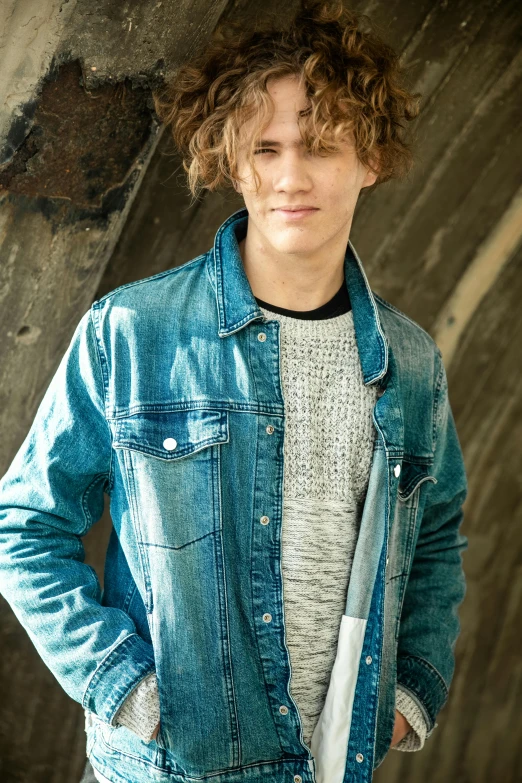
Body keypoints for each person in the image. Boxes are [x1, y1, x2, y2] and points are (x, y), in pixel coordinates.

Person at [0, 2, 468, 783]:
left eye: (320, 147)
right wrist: (130, 692)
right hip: (163, 769)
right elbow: (23, 525)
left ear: (372, 158)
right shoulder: (132, 333)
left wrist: (409, 692)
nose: (290, 177)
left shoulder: (410, 363)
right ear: (231, 156)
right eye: (266, 146)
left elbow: (438, 537)